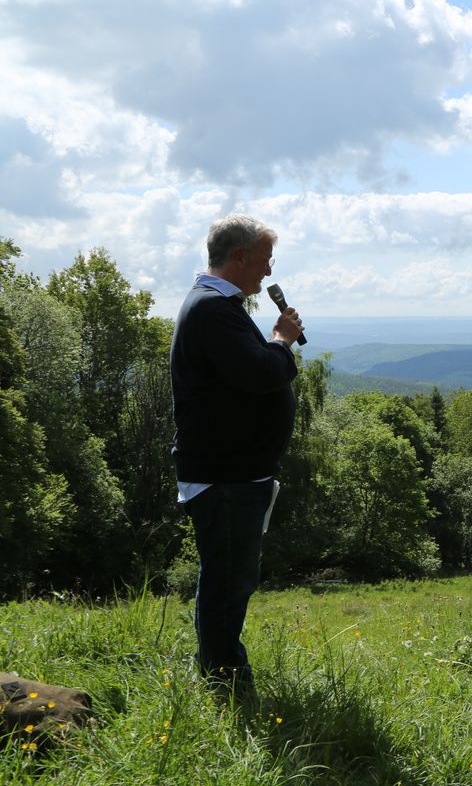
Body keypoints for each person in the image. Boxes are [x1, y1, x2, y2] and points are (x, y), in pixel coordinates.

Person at [170, 213, 304, 693]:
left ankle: (218, 669)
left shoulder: (217, 307)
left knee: (228, 577)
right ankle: (224, 680)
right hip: (226, 475)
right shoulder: (213, 310)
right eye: (264, 261)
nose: (268, 273)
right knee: (228, 582)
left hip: (233, 473)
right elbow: (259, 374)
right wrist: (281, 342)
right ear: (240, 256)